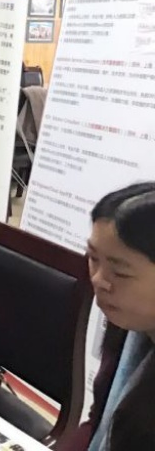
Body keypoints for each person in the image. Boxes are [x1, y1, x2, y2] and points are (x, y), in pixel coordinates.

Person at [64, 184, 155, 451]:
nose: (98, 280)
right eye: (93, 258)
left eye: (121, 273)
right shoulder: (127, 325)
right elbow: (99, 419)